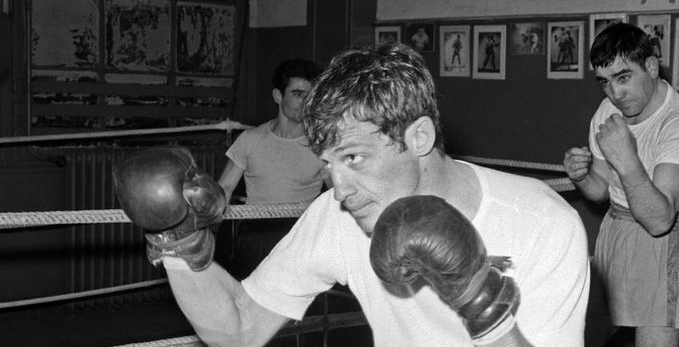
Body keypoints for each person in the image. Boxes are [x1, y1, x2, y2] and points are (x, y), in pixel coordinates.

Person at [115, 43, 590, 347]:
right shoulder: (339, 215)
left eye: (354, 158)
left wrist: (480, 301)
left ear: (418, 138)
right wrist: (177, 243)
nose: (338, 188)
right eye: (327, 163)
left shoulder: (541, 221)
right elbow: (239, 329)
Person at [563, 23, 679, 347]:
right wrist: (583, 175)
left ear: (651, 66)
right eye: (605, 82)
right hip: (615, 229)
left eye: (623, 77)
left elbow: (659, 220)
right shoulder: (607, 111)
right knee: (589, 337)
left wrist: (627, 159)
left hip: (662, 242)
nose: (615, 93)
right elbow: (600, 190)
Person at [217, 59, 327, 276]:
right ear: (278, 96)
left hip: (302, 234)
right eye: (297, 94)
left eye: (311, 96)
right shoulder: (250, 140)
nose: (306, 102)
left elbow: (338, 194)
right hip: (256, 235)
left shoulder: (323, 145)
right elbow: (223, 190)